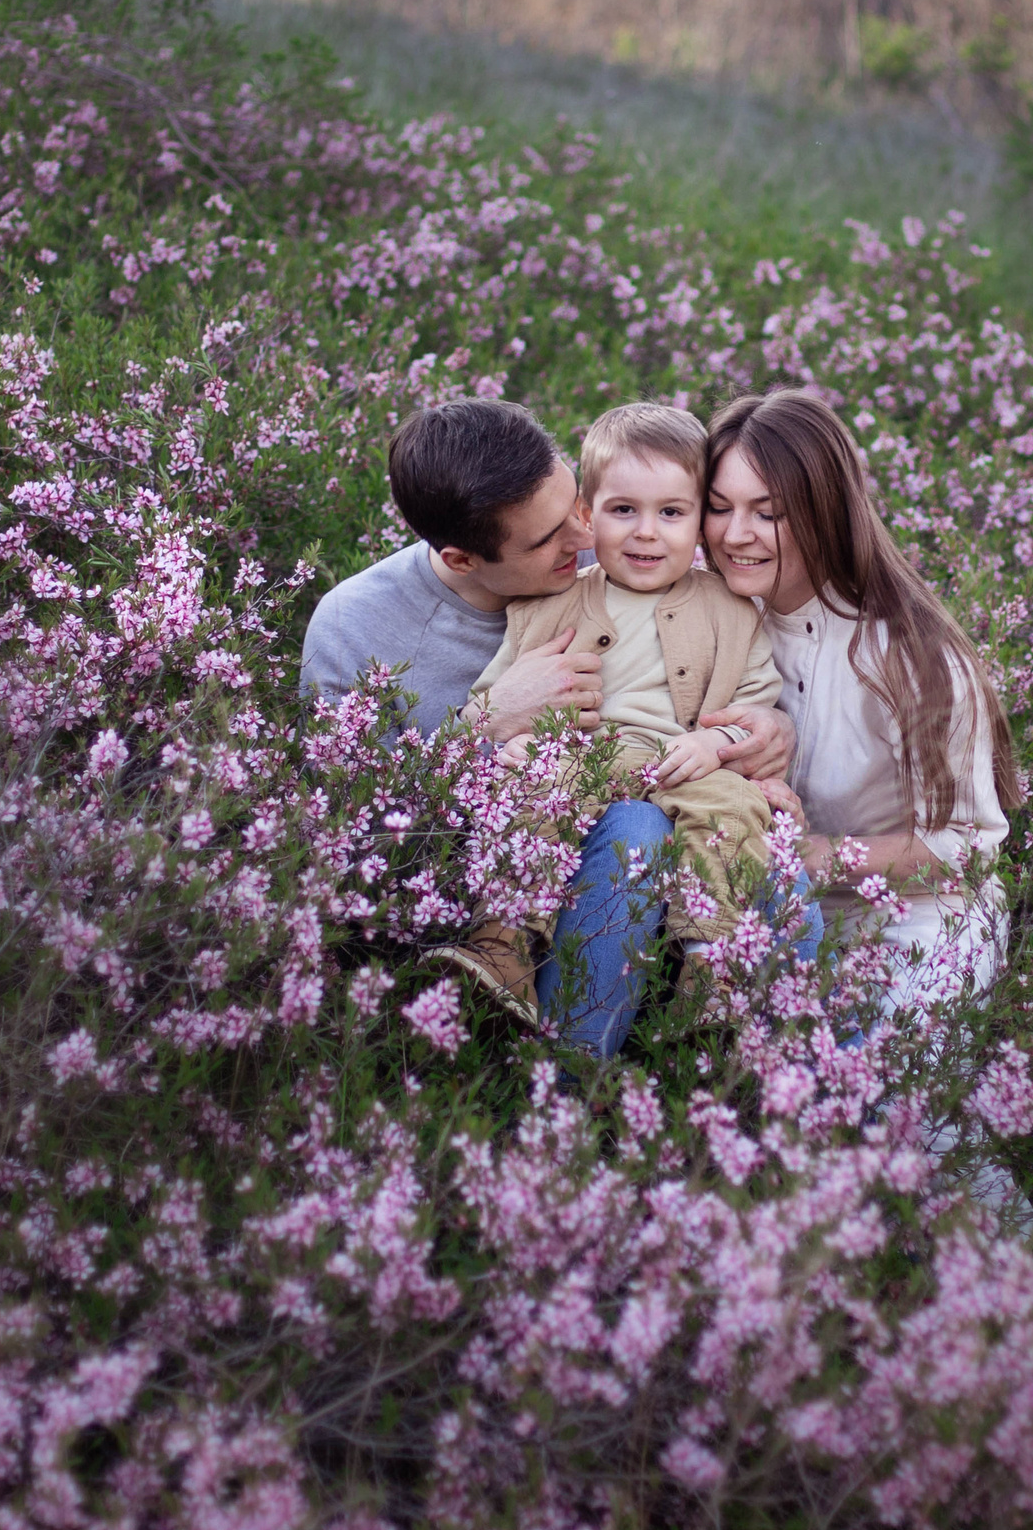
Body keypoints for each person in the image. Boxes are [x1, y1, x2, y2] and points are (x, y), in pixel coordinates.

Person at [298, 396, 793, 1052]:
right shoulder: (355, 629)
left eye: (578, 509)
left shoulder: (623, 561)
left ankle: (662, 1014)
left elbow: (735, 679)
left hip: (657, 845)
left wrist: (759, 730)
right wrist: (489, 722)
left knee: (679, 831)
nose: (588, 539)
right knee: (632, 828)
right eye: (549, 538)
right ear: (463, 558)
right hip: (470, 885)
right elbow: (355, 846)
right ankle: (543, 1056)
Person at [456, 402, 813, 1003]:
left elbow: (755, 707)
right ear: (587, 515)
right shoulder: (548, 604)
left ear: (701, 521)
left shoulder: (732, 610)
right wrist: (508, 738)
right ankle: (505, 939)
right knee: (532, 792)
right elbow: (493, 701)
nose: (647, 531)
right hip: (582, 759)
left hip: (682, 767)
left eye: (672, 512)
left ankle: (711, 958)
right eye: (624, 510)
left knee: (733, 809)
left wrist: (713, 743)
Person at [699, 389, 1019, 1022]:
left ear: (828, 512)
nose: (736, 535)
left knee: (887, 1115)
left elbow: (969, 847)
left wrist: (807, 858)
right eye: (718, 507)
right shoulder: (709, 617)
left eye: (769, 513)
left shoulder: (911, 656)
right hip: (765, 915)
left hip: (917, 928)